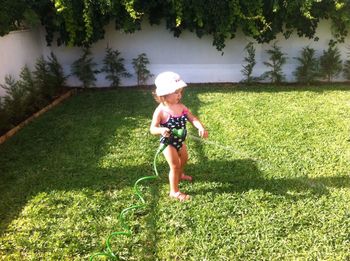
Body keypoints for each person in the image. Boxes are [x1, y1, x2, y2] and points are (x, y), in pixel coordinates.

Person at [150, 71, 208, 201]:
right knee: (174, 165)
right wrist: (161, 130)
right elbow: (152, 129)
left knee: (185, 158)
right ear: (164, 94)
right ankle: (174, 192)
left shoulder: (181, 106)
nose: (179, 95)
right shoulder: (160, 111)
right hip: (168, 143)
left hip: (180, 141)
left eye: (180, 92)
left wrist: (200, 126)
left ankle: (180, 175)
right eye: (176, 92)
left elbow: (192, 118)